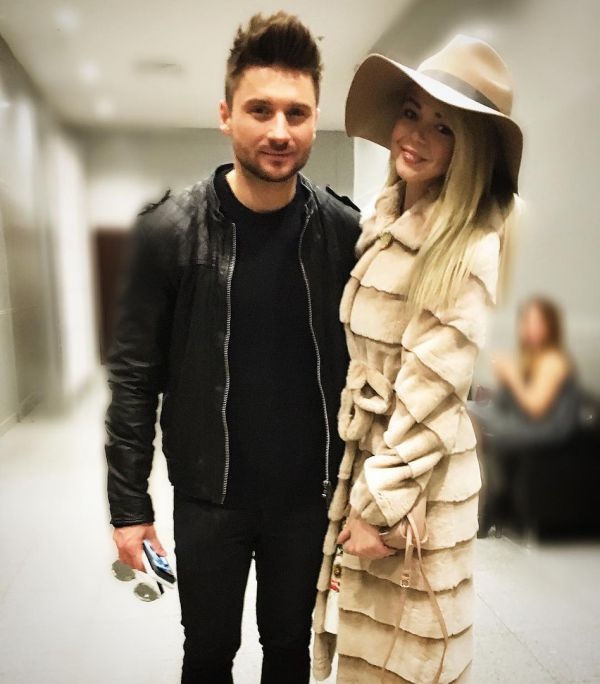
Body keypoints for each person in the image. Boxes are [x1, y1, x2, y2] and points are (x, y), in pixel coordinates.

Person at [105, 12, 360, 684]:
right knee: (209, 653)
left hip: (308, 498)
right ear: (226, 115)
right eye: (260, 109)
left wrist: (364, 498)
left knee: (289, 651)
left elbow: (370, 374)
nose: (280, 130)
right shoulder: (168, 232)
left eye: (297, 113)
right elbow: (134, 379)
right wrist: (129, 509)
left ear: (315, 120)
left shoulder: (344, 232)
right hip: (208, 496)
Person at [312, 36, 523, 683]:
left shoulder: (467, 243)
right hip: (378, 459)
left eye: (444, 127)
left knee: (407, 660)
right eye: (411, 113)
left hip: (413, 480)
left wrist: (376, 505)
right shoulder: (386, 220)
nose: (417, 135)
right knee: (374, 652)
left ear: (471, 148)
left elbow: (431, 393)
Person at [469, 296, 581, 534]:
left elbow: (535, 407)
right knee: (467, 412)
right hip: (523, 422)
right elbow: (509, 404)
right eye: (526, 321)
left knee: (470, 419)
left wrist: (512, 375)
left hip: (544, 429)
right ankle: (487, 500)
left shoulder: (554, 360)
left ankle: (484, 505)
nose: (530, 327)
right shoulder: (530, 358)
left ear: (550, 326)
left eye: (537, 322)